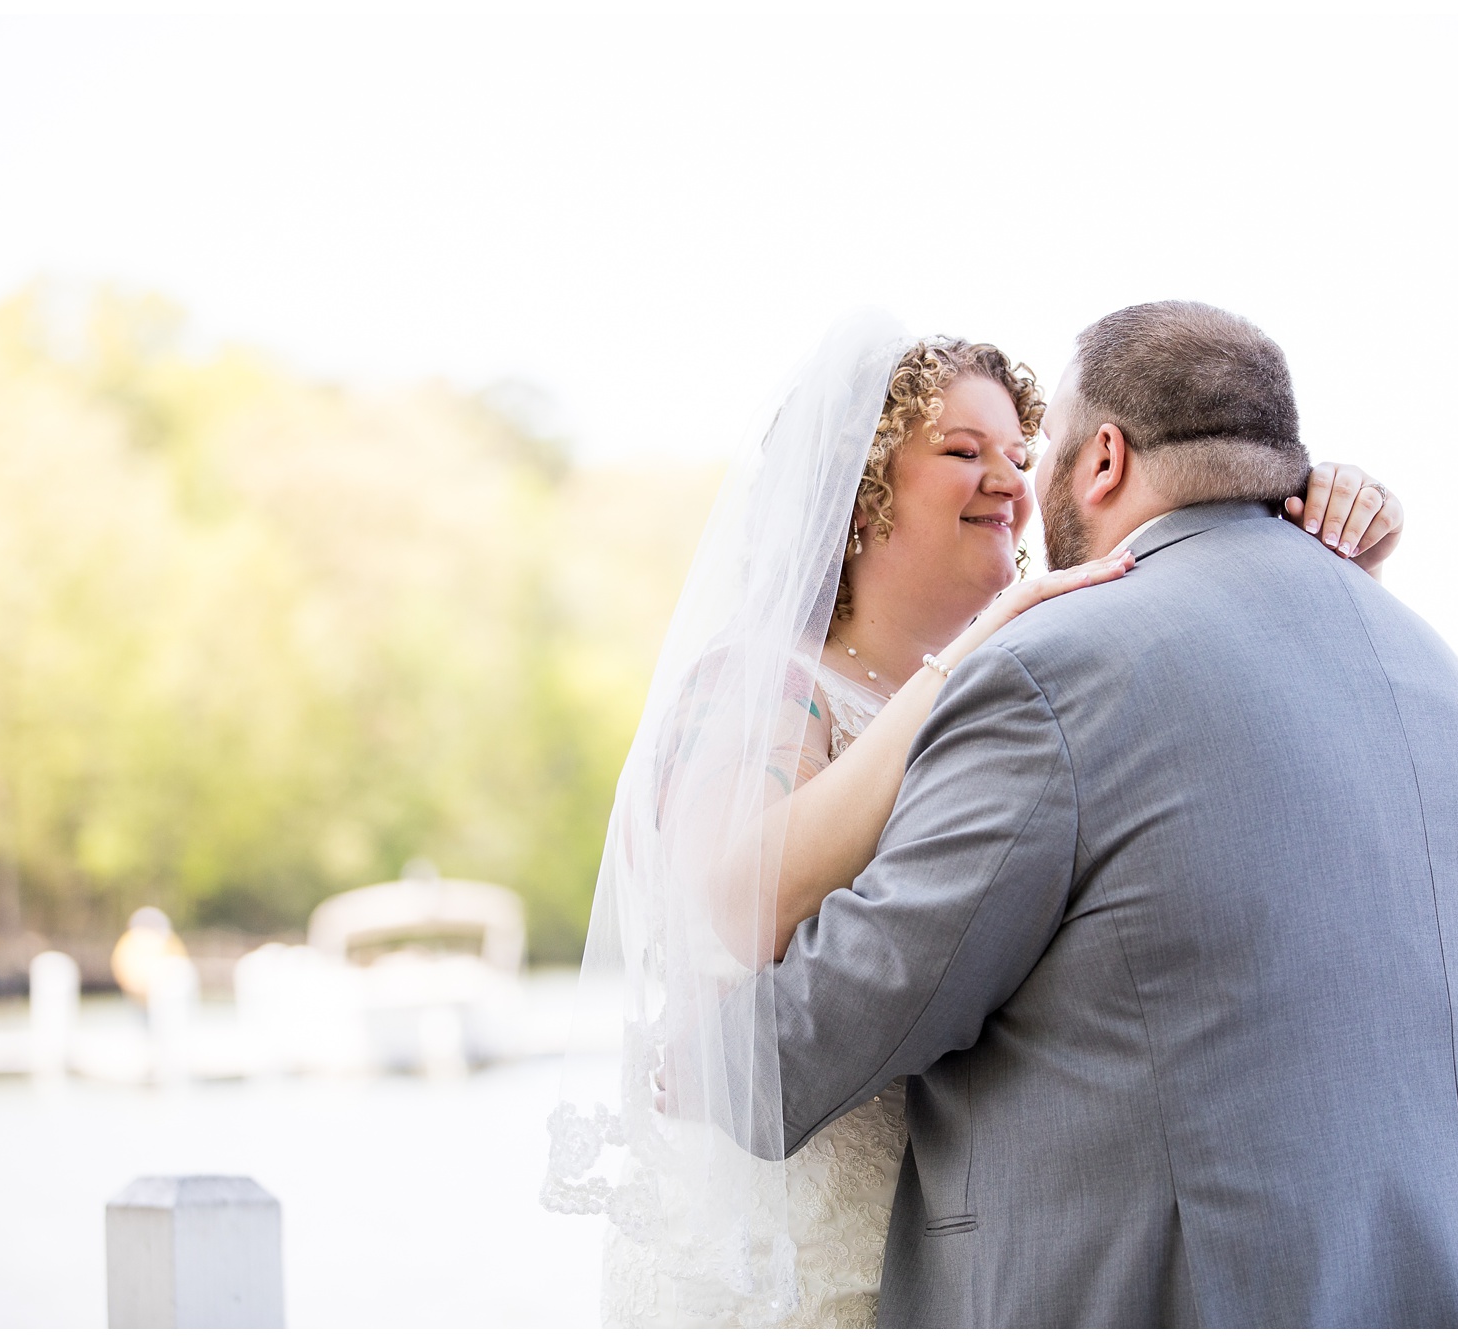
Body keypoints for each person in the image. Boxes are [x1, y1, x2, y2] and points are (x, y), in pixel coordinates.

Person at [723, 300, 1458, 1327]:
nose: (1017, 482)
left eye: (1035, 446)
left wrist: (691, 1044)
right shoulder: (1436, 667)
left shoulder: (1052, 671)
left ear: (1100, 460)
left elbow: (797, 1051)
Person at [541, 309, 1408, 1327]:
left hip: (952, 1262)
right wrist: (974, 652)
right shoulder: (764, 683)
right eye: (961, 451)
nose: (1011, 480)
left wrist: (1314, 531)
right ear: (858, 492)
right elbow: (741, 903)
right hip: (782, 1265)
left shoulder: (1025, 689)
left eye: (1017, 451)